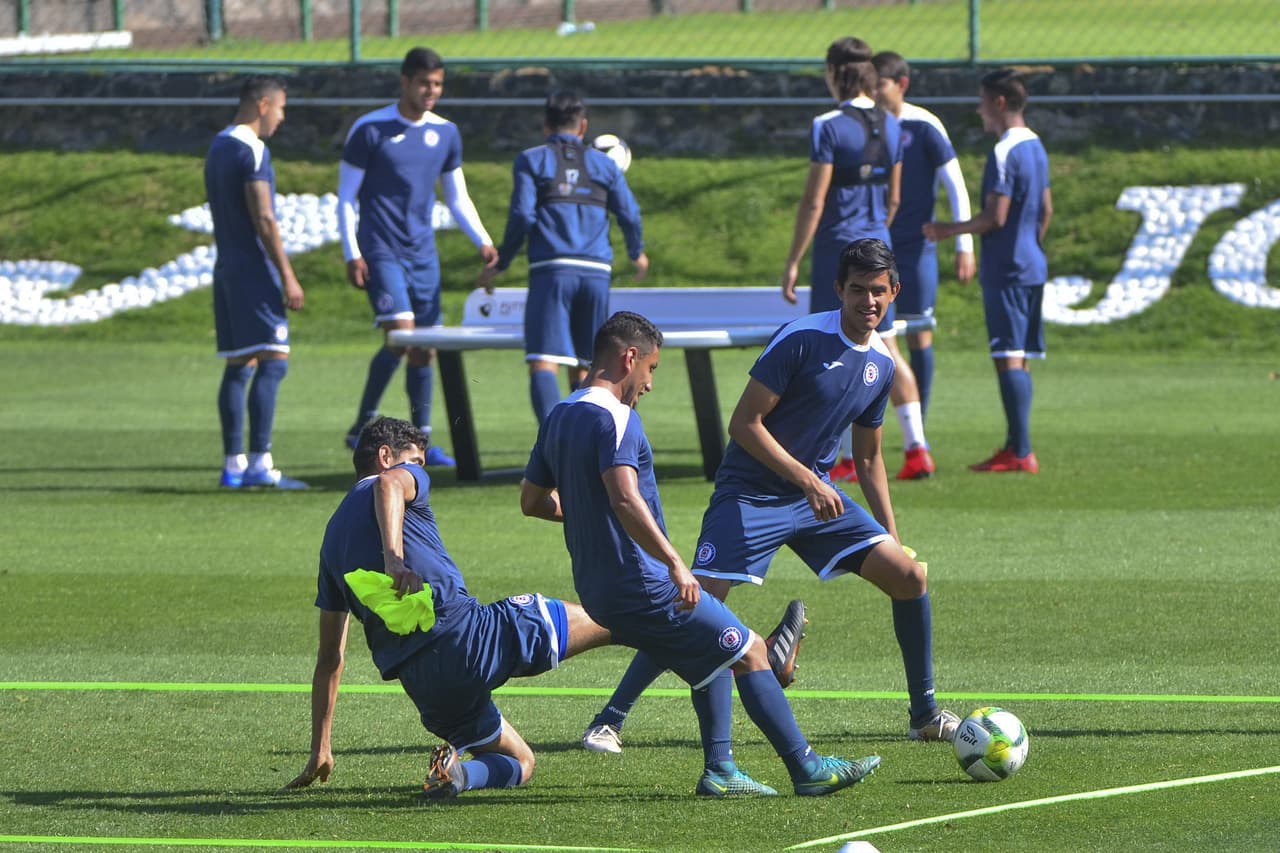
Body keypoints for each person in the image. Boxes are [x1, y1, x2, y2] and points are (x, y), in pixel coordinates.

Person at [582, 240, 959, 751]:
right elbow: (744, 424)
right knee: (696, 601)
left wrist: (890, 536)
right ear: (837, 290)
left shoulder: (883, 366)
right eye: (855, 290)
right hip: (751, 493)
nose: (867, 301)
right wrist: (808, 480)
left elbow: (869, 458)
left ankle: (924, 714)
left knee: (910, 576)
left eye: (877, 291)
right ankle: (610, 717)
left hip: (814, 499)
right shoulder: (802, 339)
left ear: (894, 292)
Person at [521, 311, 881, 798]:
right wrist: (673, 563)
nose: (648, 383)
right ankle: (809, 769)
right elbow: (625, 498)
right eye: (651, 369)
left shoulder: (560, 414)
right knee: (752, 650)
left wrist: (587, 510)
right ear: (630, 358)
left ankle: (721, 769)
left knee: (712, 655)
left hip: (597, 589)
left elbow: (533, 501)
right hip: (644, 584)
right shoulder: (618, 419)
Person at [284, 416, 613, 799]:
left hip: (425, 686)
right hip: (471, 637)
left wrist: (321, 746)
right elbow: (390, 484)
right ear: (386, 456)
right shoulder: (396, 477)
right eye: (415, 462)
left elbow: (330, 657)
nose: (419, 471)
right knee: (617, 619)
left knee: (521, 763)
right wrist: (394, 559)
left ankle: (456, 775)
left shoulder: (330, 542)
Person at [779, 37, 934, 483]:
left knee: (831, 350)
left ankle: (836, 454)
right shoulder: (890, 123)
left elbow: (814, 200)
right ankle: (917, 445)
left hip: (837, 249)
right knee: (885, 345)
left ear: (834, 73)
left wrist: (793, 260)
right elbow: (895, 198)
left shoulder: (828, 124)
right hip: (880, 244)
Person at [337, 47, 499, 465]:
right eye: (425, 83)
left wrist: (481, 240)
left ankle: (419, 442)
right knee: (401, 334)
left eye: (438, 84)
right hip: (381, 249)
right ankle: (362, 425)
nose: (432, 91)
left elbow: (457, 197)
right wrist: (352, 252)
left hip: (423, 255)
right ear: (405, 82)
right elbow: (344, 199)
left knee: (424, 347)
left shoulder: (445, 133)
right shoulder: (370, 129)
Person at [478, 89, 648, 424]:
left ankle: (553, 448)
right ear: (583, 126)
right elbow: (629, 214)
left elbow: (523, 215)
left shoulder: (531, 160)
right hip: (597, 271)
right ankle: (584, 445)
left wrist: (503, 261)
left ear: (545, 125)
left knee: (544, 360)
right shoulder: (604, 164)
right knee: (588, 363)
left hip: (552, 269)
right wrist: (636, 252)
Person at [923, 69, 1052, 473]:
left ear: (998, 103)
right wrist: (1031, 244)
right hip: (1032, 262)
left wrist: (949, 230)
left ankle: (1021, 450)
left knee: (1007, 356)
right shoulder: (1036, 146)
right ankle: (1017, 443)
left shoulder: (1004, 151)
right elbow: (1045, 209)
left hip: (1008, 266)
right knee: (1020, 356)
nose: (978, 111)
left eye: (981, 102)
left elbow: (996, 216)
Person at [205, 75, 307, 490]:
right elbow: (264, 216)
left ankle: (233, 465)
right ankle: (261, 465)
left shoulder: (217, 146)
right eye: (281, 109)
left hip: (226, 266)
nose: (281, 119)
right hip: (253, 269)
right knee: (274, 359)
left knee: (238, 362)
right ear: (263, 104)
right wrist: (287, 274)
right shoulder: (253, 149)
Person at [873, 50, 977, 422]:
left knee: (919, 333)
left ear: (901, 85)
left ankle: (921, 422)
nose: (873, 90)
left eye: (879, 83)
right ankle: (879, 420)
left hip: (917, 250)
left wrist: (965, 246)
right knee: (880, 337)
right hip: (877, 248)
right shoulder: (867, 124)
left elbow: (956, 185)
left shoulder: (924, 125)